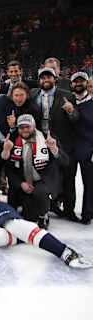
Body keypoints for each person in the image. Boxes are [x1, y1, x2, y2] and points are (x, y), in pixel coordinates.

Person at [29, 68, 79, 221]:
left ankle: (69, 209)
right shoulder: (33, 94)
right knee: (48, 175)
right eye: (43, 78)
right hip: (41, 143)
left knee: (68, 176)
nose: (46, 80)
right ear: (39, 80)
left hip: (63, 142)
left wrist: (71, 111)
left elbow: (76, 118)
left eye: (49, 77)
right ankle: (52, 205)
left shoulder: (67, 95)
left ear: (55, 79)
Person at [4, 114, 68, 228]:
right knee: (28, 216)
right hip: (24, 182)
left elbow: (65, 161)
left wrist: (54, 149)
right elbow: (9, 170)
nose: (24, 130)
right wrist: (21, 184)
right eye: (21, 127)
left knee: (40, 192)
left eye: (27, 127)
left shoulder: (47, 139)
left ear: (34, 126)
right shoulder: (13, 142)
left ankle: (44, 214)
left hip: (42, 181)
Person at [70, 72, 93, 224]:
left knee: (89, 183)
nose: (78, 84)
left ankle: (88, 213)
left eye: (82, 81)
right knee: (68, 182)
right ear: (71, 84)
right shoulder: (67, 100)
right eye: (76, 82)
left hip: (88, 148)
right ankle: (68, 210)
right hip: (69, 148)